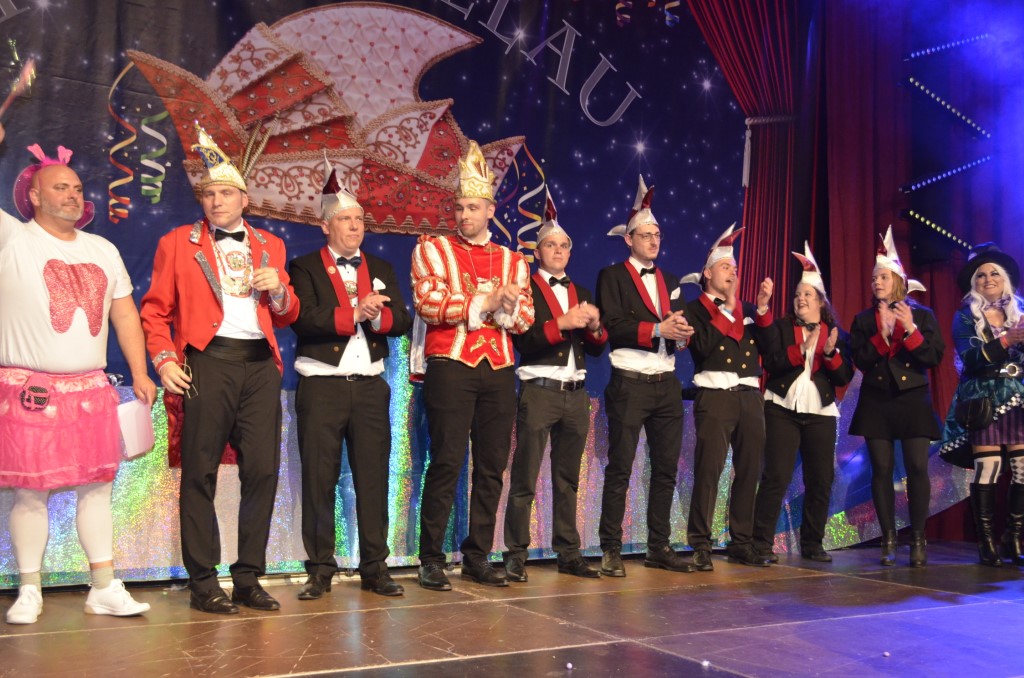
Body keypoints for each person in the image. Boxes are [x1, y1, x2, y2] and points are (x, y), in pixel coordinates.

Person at [140, 125, 299, 613]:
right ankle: (203, 581)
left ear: (244, 199)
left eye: (225, 193)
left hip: (260, 366)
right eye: (209, 194)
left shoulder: (271, 245)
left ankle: (248, 577)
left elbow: (287, 314)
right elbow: (155, 311)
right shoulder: (177, 242)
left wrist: (279, 290)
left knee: (263, 471)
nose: (216, 201)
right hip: (208, 362)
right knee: (200, 472)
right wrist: (165, 359)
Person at [0, 124, 155, 624]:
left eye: (76, 187)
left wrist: (140, 372)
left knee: (97, 488)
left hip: (91, 390)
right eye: (60, 187)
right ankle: (29, 590)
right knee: (31, 491)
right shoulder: (12, 240)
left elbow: (125, 315)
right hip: (31, 391)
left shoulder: (102, 249)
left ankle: (104, 587)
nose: (72, 194)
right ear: (33, 195)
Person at [410, 140, 534, 590]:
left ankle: (477, 554)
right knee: (445, 461)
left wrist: (506, 306)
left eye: (474, 208)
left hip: (497, 369)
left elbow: (525, 318)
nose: (465, 215)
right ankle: (430, 557)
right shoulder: (432, 249)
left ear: (490, 210)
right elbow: (429, 304)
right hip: (452, 365)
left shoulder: (513, 260)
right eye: (460, 207)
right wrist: (487, 300)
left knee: (491, 467)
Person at [288, 163, 411, 597]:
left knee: (373, 478)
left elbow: (402, 320)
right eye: (345, 219)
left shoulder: (380, 266)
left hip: (370, 386)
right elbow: (302, 318)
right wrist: (353, 313)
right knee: (319, 479)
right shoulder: (303, 267)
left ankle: (375, 567)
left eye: (359, 219)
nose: (355, 226)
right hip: (322, 385)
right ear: (326, 226)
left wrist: (377, 317)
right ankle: (320, 569)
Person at [503, 191, 606, 582]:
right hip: (540, 390)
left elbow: (597, 347)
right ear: (537, 252)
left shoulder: (581, 292)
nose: (558, 250)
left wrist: (595, 326)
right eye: (551, 245)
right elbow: (524, 340)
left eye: (564, 245)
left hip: (575, 395)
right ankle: (516, 553)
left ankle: (569, 552)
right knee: (525, 476)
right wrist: (562, 324)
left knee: (568, 480)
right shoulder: (526, 289)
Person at [596, 176, 696, 577]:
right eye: (646, 235)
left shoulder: (670, 280)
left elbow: (675, 326)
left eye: (657, 235)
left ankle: (659, 546)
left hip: (666, 383)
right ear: (629, 239)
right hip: (630, 381)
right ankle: (610, 548)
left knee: (666, 468)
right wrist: (658, 329)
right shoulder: (612, 276)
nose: (654, 241)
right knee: (620, 467)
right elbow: (614, 326)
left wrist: (682, 335)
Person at [751, 243, 853, 563]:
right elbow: (771, 361)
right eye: (797, 294)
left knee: (820, 480)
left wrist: (830, 354)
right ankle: (760, 544)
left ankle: (812, 543)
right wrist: (801, 350)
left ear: (821, 301)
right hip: (781, 409)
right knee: (776, 477)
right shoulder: (783, 328)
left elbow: (843, 377)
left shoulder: (836, 333)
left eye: (807, 294)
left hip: (821, 413)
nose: (801, 299)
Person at [849, 226, 944, 567]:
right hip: (877, 401)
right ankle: (888, 538)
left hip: (912, 400)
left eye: (883, 277)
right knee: (881, 469)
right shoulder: (863, 320)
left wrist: (911, 330)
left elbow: (933, 357)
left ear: (898, 281)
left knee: (917, 467)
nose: (877, 282)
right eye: (874, 278)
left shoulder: (923, 315)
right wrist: (883, 335)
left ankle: (917, 538)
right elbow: (860, 359)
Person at [682, 224, 774, 570]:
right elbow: (703, 347)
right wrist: (726, 311)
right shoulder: (694, 310)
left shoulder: (747, 309)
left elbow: (771, 351)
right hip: (715, 395)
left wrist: (761, 310)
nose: (733, 273)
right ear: (707, 273)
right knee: (709, 471)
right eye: (725, 267)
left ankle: (741, 542)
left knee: (749, 471)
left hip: (750, 395)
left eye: (735, 268)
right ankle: (700, 543)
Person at [940, 243, 1024, 567]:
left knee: (1022, 469)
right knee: (988, 468)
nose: (988, 279)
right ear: (974, 283)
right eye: (981, 275)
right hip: (983, 399)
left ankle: (1012, 537)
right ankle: (985, 541)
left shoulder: (1020, 313)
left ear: (1005, 279)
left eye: (994, 273)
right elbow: (971, 359)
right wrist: (1006, 340)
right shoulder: (964, 316)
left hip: (1018, 398)